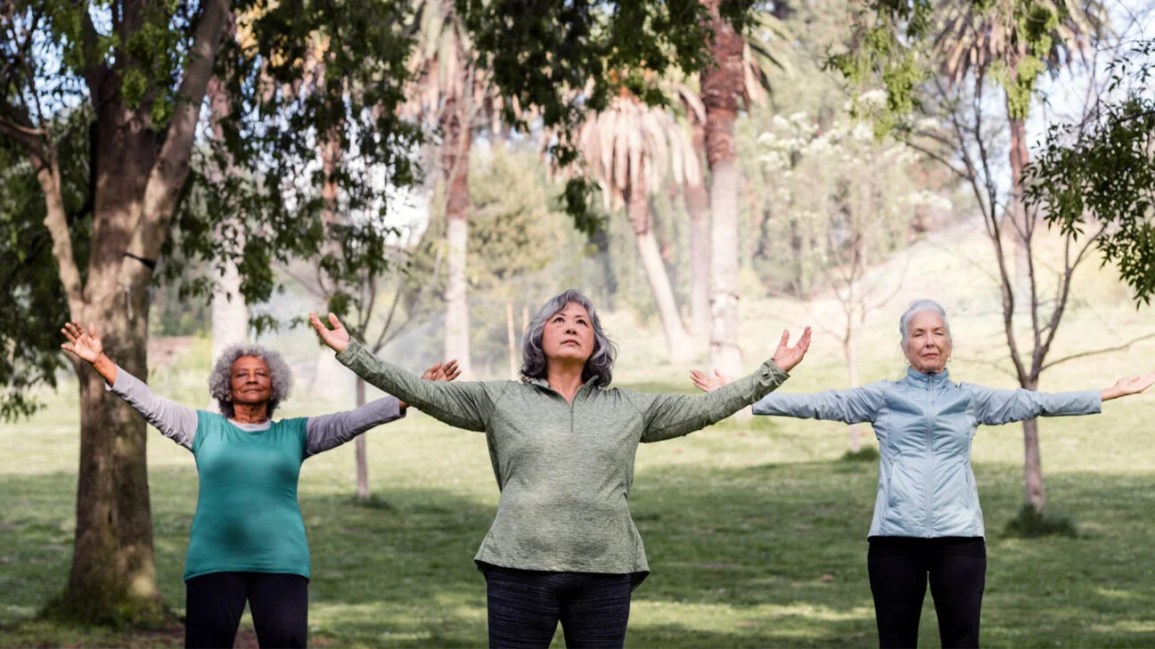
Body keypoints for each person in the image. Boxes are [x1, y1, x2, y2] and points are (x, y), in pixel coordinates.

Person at [309, 288, 811, 649]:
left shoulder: (630, 408)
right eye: (559, 320)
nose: (571, 327)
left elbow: (708, 407)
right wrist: (350, 353)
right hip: (517, 567)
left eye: (583, 323)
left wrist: (774, 369)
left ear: (596, 344)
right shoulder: (498, 398)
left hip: (605, 570)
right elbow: (417, 389)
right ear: (538, 339)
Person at [691, 299, 1155, 649]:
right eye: (918, 333)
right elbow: (816, 404)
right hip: (894, 542)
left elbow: (1037, 402)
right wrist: (736, 394)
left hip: (960, 542)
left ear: (949, 343)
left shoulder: (971, 399)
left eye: (937, 332)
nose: (929, 340)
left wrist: (1110, 391)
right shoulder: (881, 397)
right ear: (904, 345)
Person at [60, 321, 459, 649]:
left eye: (261, 373)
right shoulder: (203, 429)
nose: (251, 379)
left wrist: (413, 395)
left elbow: (352, 420)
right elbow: (147, 401)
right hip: (213, 564)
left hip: (281, 566)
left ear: (275, 384)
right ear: (226, 386)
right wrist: (100, 362)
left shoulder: (296, 434)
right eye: (241, 374)